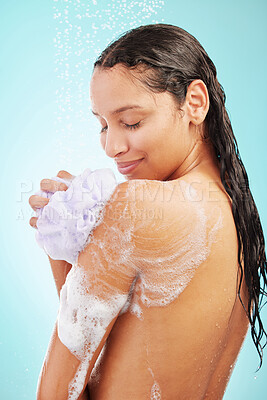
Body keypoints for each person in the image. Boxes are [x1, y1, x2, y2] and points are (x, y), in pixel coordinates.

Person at [29, 23, 267, 400]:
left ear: (195, 103)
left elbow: (58, 393)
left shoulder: (137, 207)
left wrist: (74, 245)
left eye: (131, 122)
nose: (111, 146)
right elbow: (131, 346)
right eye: (103, 125)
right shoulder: (239, 217)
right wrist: (71, 250)